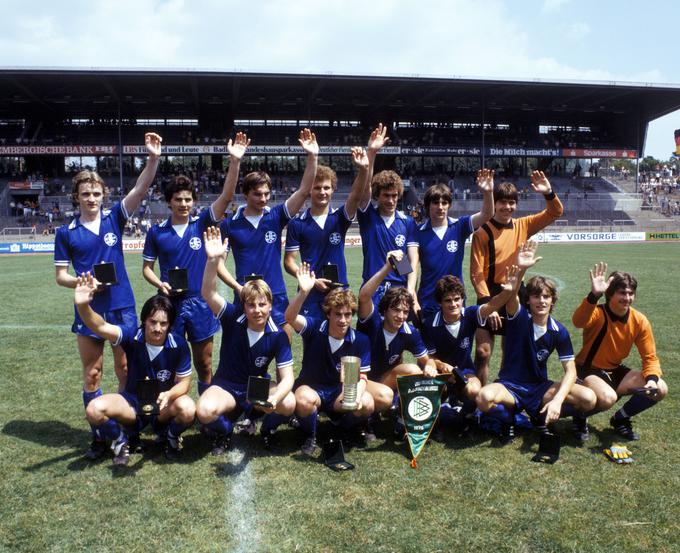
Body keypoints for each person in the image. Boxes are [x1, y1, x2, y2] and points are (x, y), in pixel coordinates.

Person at [54, 132, 162, 459]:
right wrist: (81, 285)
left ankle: (127, 430)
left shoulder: (115, 217)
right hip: (88, 309)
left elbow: (141, 188)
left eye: (96, 193)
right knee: (92, 373)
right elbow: (61, 276)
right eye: (85, 193)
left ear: (104, 194)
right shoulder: (65, 233)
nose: (91, 198)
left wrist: (153, 159)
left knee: (125, 370)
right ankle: (101, 435)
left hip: (122, 307)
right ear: (76, 196)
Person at [142, 133, 249, 395]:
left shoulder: (202, 224)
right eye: (178, 199)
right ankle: (168, 408)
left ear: (194, 201)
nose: (184, 204)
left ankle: (205, 410)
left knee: (204, 362)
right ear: (169, 201)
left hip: (200, 302)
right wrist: (160, 283)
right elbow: (146, 269)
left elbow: (225, 197)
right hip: (170, 304)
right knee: (169, 361)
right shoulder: (157, 232)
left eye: (188, 199)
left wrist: (234, 162)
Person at [476, 242, 596, 443]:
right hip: (510, 387)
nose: (541, 301)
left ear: (553, 300)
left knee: (589, 398)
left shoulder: (559, 331)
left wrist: (557, 401)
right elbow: (512, 295)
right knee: (483, 397)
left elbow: (571, 371)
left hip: (539, 388)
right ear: (528, 300)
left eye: (546, 297)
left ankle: (543, 415)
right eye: (536, 296)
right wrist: (521, 268)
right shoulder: (519, 317)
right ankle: (510, 420)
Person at [75, 273, 194, 465]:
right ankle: (120, 440)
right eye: (153, 322)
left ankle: (170, 437)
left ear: (170, 325)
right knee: (94, 410)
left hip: (162, 406)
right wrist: (83, 306)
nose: (157, 328)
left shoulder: (179, 344)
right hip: (132, 404)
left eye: (163, 323)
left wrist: (169, 395)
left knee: (188, 409)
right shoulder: (132, 336)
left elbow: (185, 382)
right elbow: (101, 326)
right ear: (144, 320)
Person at [197, 226, 295, 454]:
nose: (257, 310)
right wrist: (213, 261)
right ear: (244, 306)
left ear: (271, 306)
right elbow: (208, 293)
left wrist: (275, 399)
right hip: (227, 386)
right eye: (251, 305)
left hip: (257, 389)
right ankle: (226, 431)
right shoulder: (232, 317)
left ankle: (267, 431)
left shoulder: (278, 335)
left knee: (289, 402)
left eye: (262, 304)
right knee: (203, 410)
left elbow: (288, 377)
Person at [219, 128, 318, 339]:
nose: (263, 198)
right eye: (257, 194)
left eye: (266, 194)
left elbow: (303, 191)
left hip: (276, 294)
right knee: (245, 354)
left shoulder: (275, 217)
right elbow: (218, 264)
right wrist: (237, 286)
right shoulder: (230, 225)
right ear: (245, 194)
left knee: (284, 347)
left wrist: (313, 156)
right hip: (246, 296)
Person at [470, 170, 564, 385]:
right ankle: (480, 398)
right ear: (494, 204)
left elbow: (555, 212)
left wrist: (548, 193)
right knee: (483, 352)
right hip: (490, 294)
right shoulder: (482, 232)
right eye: (502, 203)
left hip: (515, 293)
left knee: (510, 351)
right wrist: (487, 304)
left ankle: (505, 392)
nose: (507, 207)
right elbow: (476, 272)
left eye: (512, 203)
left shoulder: (524, 225)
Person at [571, 263, 668, 442]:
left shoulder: (639, 321)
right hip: (587, 370)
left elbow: (650, 357)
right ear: (610, 294)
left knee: (660, 389)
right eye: (622, 293)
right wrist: (593, 296)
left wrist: (652, 380)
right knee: (607, 398)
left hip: (614, 370)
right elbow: (578, 321)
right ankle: (580, 417)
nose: (627, 297)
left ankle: (620, 418)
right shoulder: (597, 312)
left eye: (631, 293)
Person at [420, 269, 524, 434]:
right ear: (440, 302)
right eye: (448, 300)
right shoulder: (430, 323)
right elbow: (429, 356)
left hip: (465, 371)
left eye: (457, 299)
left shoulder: (469, 314)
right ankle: (436, 416)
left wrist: (508, 291)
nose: (453, 304)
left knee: (474, 390)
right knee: (430, 395)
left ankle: (467, 416)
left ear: (462, 299)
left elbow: (492, 305)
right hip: (440, 374)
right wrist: (440, 365)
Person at [285, 263, 374, 456]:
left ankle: (343, 428)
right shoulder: (314, 328)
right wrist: (303, 292)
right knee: (303, 399)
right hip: (312, 389)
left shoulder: (360, 340)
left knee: (367, 402)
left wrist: (356, 397)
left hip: (339, 393)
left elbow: (362, 377)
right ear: (328, 314)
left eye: (348, 315)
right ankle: (311, 434)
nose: (343, 320)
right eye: (338, 314)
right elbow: (290, 317)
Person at [357, 250, 436, 438]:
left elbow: (427, 360)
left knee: (413, 370)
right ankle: (366, 419)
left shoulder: (409, 332)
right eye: (396, 310)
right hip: (358, 379)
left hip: (382, 380)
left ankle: (403, 418)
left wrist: (431, 367)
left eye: (405, 311)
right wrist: (387, 268)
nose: (401, 316)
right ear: (385, 310)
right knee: (384, 396)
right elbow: (364, 297)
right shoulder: (372, 321)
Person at [284, 146, 369, 318]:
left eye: (326, 187)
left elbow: (355, 195)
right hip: (309, 293)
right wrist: (312, 281)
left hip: (339, 291)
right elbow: (289, 262)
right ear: (309, 190)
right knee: (312, 341)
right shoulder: (297, 223)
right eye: (317, 188)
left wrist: (363, 169)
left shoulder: (340, 218)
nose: (322, 192)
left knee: (339, 341)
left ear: (333, 189)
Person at [414, 169, 494, 320]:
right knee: (429, 344)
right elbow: (410, 267)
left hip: (455, 301)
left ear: (449, 205)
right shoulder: (418, 232)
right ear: (427, 205)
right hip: (427, 301)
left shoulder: (459, 226)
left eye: (444, 203)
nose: (440, 207)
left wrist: (488, 192)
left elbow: (487, 214)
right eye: (435, 202)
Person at [357, 124, 419, 307]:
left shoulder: (407, 223)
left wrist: (410, 289)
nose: (391, 200)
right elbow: (364, 188)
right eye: (386, 195)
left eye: (394, 195)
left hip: (398, 291)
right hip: (372, 289)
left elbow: (411, 261)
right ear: (377, 195)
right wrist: (372, 152)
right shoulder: (367, 217)